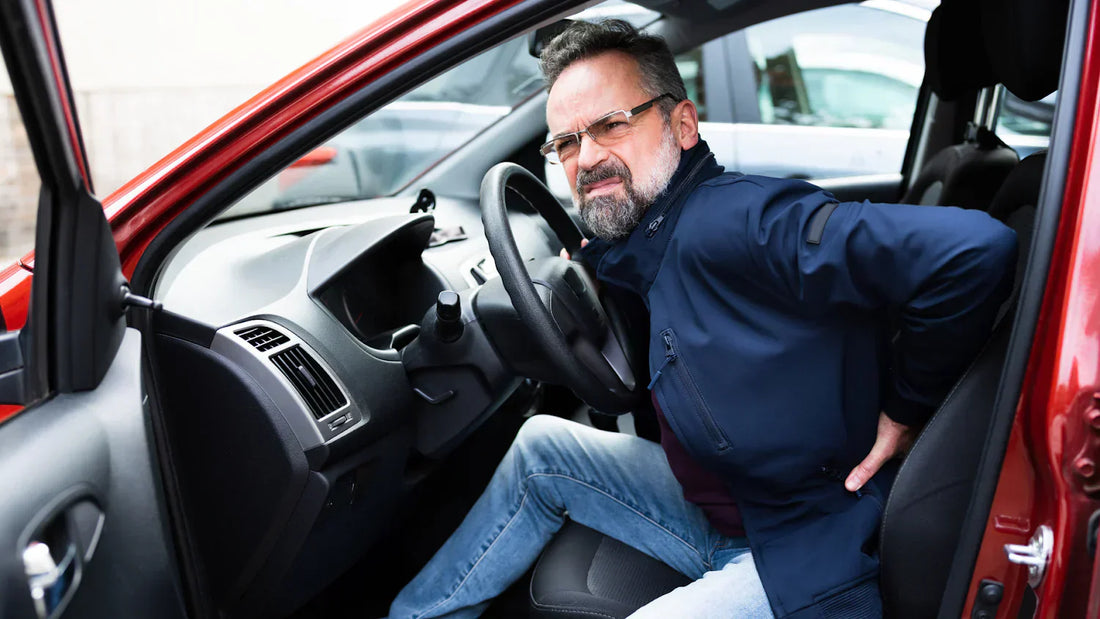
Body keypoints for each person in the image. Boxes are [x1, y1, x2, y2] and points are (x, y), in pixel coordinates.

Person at [387, 19, 1016, 619]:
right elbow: (634, 260)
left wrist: (908, 408)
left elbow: (973, 253)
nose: (586, 158)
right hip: (734, 510)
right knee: (541, 448)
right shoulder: (652, 234)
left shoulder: (745, 221)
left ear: (682, 124)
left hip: (805, 545)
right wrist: (585, 263)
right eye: (567, 142)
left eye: (609, 125)